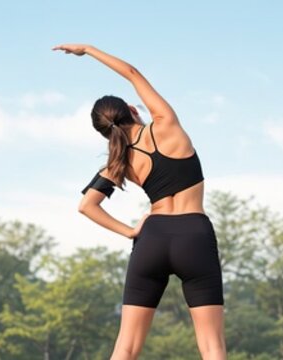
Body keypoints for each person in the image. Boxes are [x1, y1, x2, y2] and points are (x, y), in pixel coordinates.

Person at [54, 43, 226, 360]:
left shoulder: (119, 162)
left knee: (127, 346)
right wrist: (88, 50)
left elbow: (86, 205)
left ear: (106, 134)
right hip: (194, 235)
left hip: (152, 238)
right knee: (211, 346)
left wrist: (130, 232)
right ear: (132, 111)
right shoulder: (166, 124)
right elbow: (132, 73)